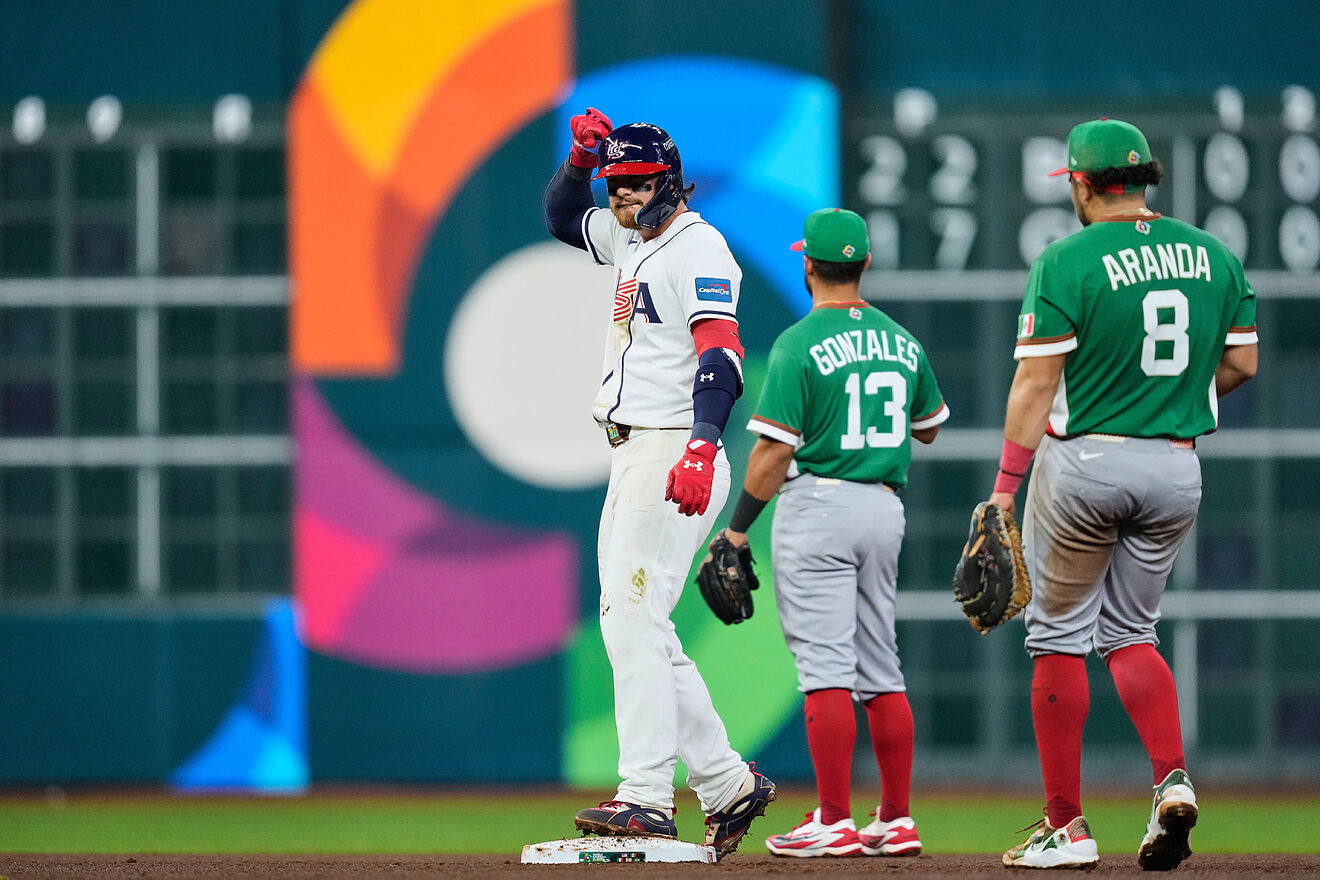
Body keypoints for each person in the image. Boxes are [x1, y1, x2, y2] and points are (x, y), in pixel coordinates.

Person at [988, 119, 1258, 871]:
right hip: (1176, 466)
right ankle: (1171, 779)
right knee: (1133, 633)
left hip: (1086, 465)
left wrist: (1006, 491)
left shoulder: (1067, 260)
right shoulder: (1214, 255)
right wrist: (1173, 398)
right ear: (1147, 179)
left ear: (1080, 183)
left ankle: (1065, 826)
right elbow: (1244, 360)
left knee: (1056, 637)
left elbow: (1036, 384)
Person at [541, 108, 775, 857]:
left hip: (674, 445)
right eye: (615, 185)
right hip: (635, 449)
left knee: (630, 618)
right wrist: (580, 164)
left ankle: (645, 794)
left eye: (636, 184)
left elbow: (722, 352)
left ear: (670, 183)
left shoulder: (696, 245)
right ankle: (726, 783)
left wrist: (704, 447)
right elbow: (559, 218)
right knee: (641, 623)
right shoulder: (632, 235)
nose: (621, 197)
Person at [708, 208, 949, 858]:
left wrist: (734, 533)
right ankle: (895, 818)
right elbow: (928, 426)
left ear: (808, 264)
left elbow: (771, 455)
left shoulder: (799, 342)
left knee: (825, 669)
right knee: (880, 666)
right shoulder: (901, 340)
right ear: (864, 263)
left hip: (819, 505)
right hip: (883, 506)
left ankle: (835, 819)